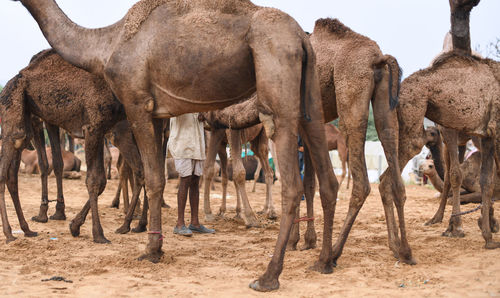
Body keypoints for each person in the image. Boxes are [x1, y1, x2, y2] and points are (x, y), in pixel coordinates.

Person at [167, 113, 215, 236]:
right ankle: (179, 224)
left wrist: (204, 116)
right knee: (185, 180)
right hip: (183, 144)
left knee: (195, 181)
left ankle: (195, 223)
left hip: (197, 147)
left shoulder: (198, 105)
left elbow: (208, 125)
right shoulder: (180, 101)